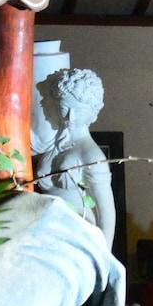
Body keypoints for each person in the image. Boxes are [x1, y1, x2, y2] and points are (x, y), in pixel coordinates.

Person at [34, 67, 118, 248]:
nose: (70, 117)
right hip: (44, 228)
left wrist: (105, 257)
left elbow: (106, 212)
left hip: (76, 232)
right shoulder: (52, 143)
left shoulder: (91, 155)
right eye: (64, 108)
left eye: (78, 111)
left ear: (92, 112)